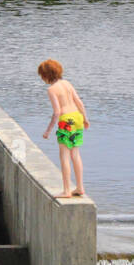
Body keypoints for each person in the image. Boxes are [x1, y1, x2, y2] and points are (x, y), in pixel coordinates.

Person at [39, 58, 89, 199]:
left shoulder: (51, 89)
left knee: (64, 156)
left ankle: (66, 190)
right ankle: (80, 187)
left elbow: (57, 112)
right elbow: (79, 101)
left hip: (66, 121)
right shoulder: (67, 83)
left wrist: (48, 130)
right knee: (76, 154)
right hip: (77, 117)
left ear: (45, 75)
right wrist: (85, 118)